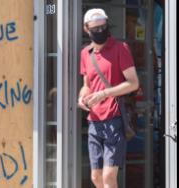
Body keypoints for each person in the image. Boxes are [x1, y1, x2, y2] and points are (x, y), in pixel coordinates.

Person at [78, 8, 139, 188]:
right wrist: (82, 98)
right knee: (96, 177)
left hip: (115, 120)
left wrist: (105, 93)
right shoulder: (86, 54)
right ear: (86, 29)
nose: (100, 32)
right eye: (95, 29)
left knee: (108, 177)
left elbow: (133, 83)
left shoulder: (121, 48)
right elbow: (87, 85)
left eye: (103, 27)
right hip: (94, 121)